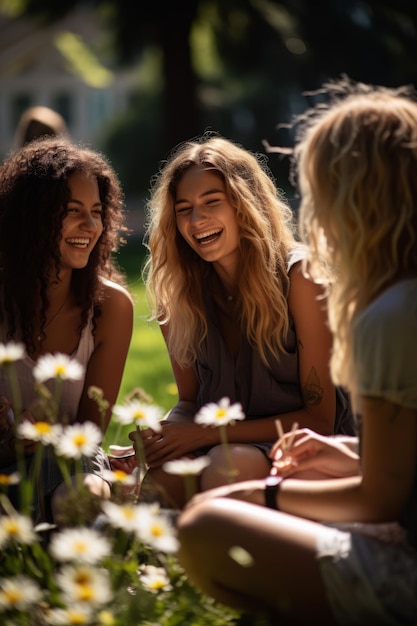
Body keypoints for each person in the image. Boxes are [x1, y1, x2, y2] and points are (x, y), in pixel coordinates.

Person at [176, 79, 417, 625]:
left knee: (208, 523)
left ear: (358, 197)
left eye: (320, 191)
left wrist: (263, 499)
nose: (315, 213)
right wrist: (349, 454)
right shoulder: (399, 301)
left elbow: (381, 499)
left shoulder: (392, 314)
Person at [132, 132, 354, 509]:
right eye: (184, 208)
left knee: (226, 467)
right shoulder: (179, 293)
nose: (197, 220)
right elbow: (189, 401)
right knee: (159, 482)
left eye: (212, 202)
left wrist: (202, 435)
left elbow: (319, 419)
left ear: (245, 204)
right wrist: (166, 437)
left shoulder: (301, 278)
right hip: (221, 439)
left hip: (306, 445)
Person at [0, 136, 134, 524]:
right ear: (31, 217)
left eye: (96, 211)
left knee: (82, 494)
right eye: (71, 210)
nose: (90, 225)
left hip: (67, 467)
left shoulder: (110, 307)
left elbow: (90, 433)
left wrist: (40, 435)